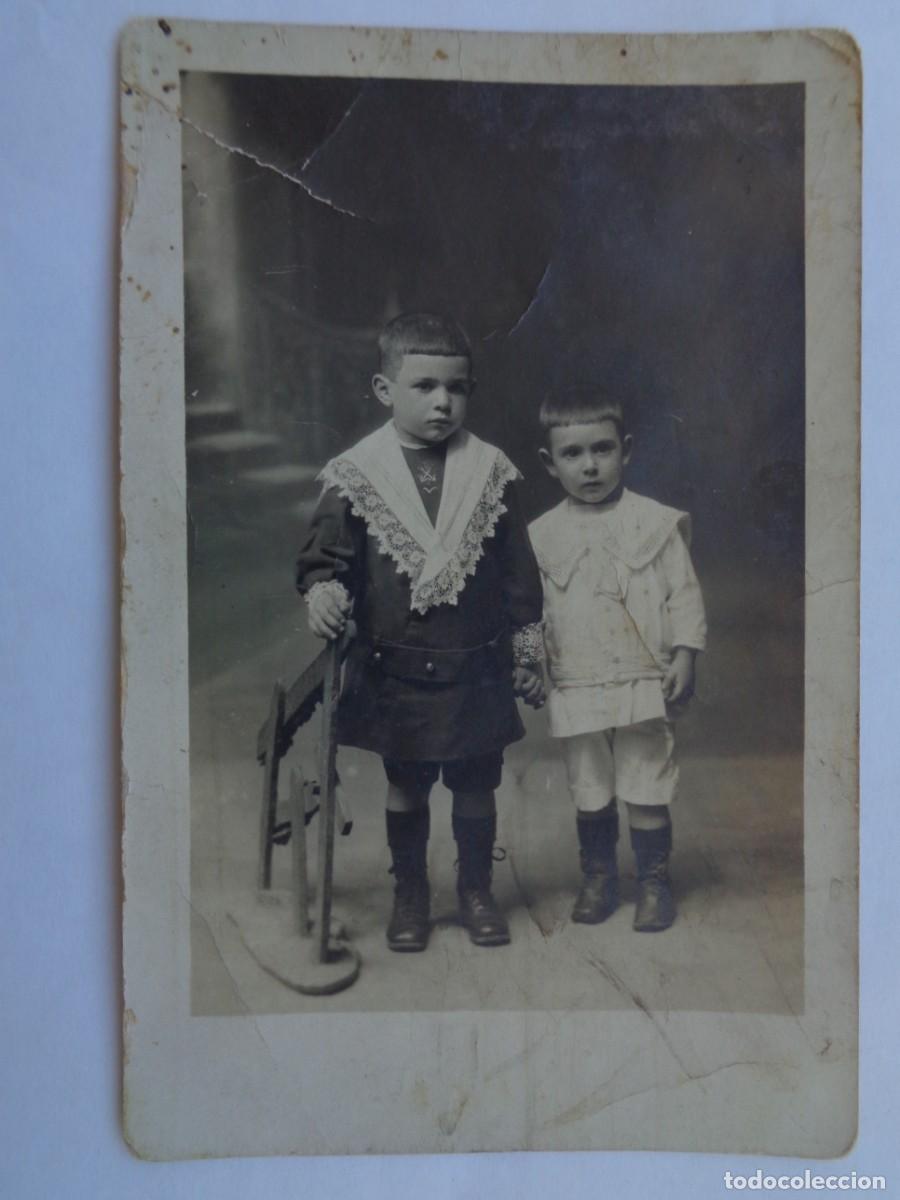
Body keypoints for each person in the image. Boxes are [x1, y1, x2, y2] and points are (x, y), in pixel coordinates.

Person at [296, 313, 545, 953]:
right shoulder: (358, 473)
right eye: (424, 386)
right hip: (396, 664)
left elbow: (518, 567)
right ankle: (411, 892)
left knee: (474, 781)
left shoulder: (490, 471)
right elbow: (328, 555)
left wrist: (525, 644)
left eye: (457, 388)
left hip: (475, 662)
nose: (442, 401)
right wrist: (324, 592)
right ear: (385, 391)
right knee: (406, 783)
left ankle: (476, 890)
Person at [528, 389, 706, 931]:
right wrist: (531, 663)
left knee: (646, 779)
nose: (589, 466)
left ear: (625, 450)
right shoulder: (542, 535)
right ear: (550, 463)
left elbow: (684, 592)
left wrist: (685, 654)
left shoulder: (654, 523)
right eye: (573, 454)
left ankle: (653, 883)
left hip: (642, 679)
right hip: (576, 679)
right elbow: (532, 611)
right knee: (590, 786)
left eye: (602, 450)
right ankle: (599, 879)